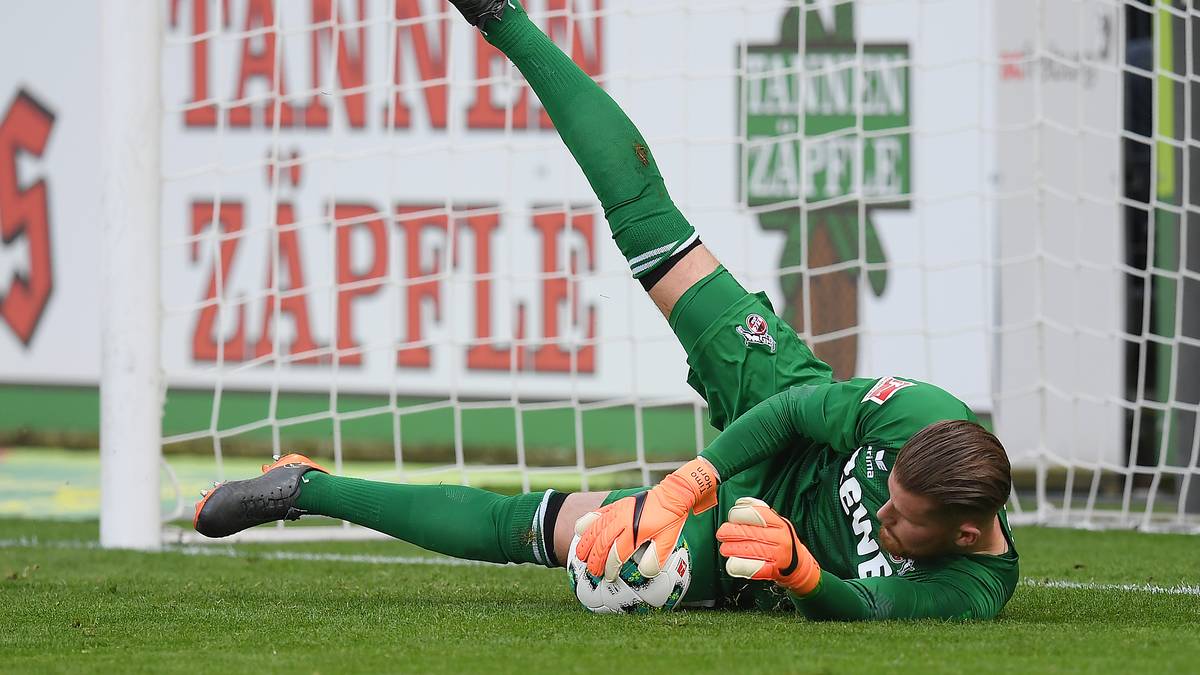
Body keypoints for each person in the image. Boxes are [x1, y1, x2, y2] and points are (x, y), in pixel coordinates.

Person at [194, 0, 1018, 621]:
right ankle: (499, 15)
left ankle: (303, 487)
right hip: (782, 415)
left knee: (570, 542)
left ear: (970, 533)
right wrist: (691, 478)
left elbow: (871, 612)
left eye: (901, 520)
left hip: (753, 543)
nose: (881, 513)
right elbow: (804, 404)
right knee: (655, 232)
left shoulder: (973, 586)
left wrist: (801, 569)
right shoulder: (923, 418)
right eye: (890, 494)